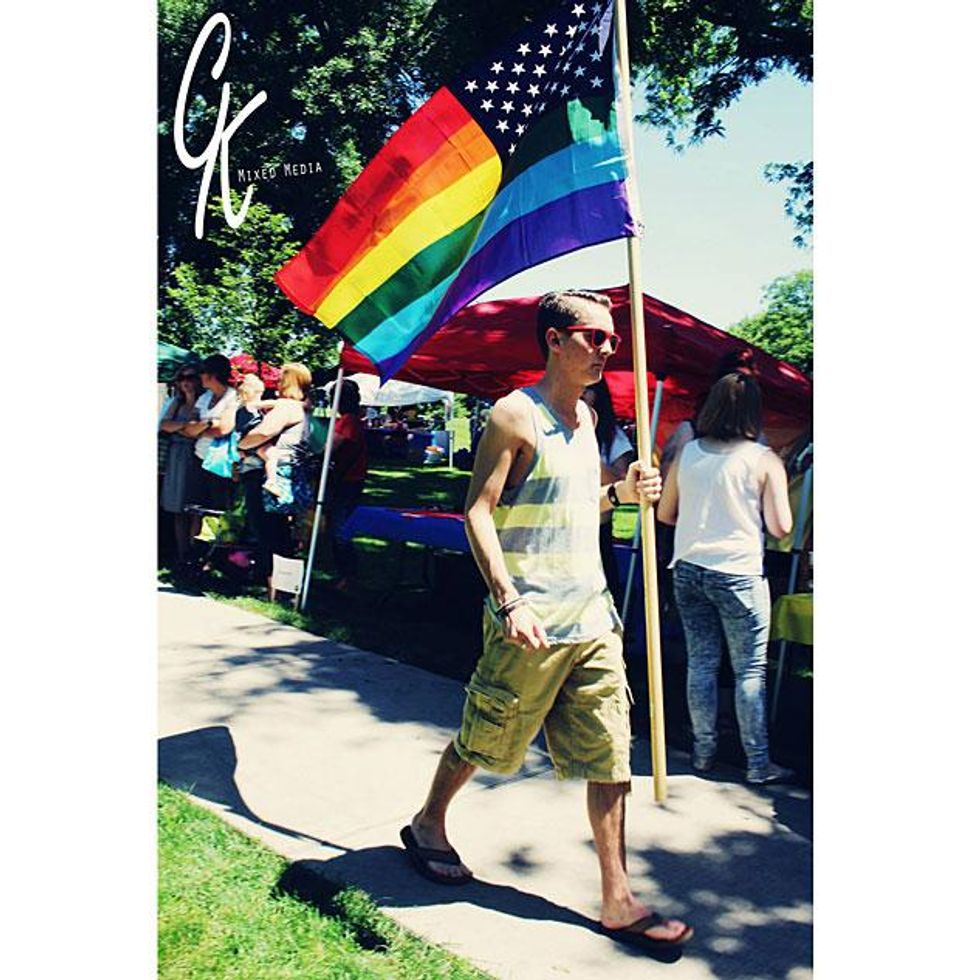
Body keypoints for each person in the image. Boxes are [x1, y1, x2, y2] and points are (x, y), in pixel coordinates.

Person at [402, 289, 693, 951]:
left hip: (591, 615)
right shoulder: (514, 414)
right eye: (595, 337)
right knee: (485, 739)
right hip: (528, 617)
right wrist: (509, 599)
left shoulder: (589, 420)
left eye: (613, 340)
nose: (608, 349)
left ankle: (618, 898)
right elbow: (479, 511)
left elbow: (569, 505)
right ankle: (427, 823)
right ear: (555, 341)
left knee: (610, 754)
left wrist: (619, 493)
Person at [657, 372, 795, 786]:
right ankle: (757, 763)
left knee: (701, 662)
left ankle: (703, 752)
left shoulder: (689, 453)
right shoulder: (764, 460)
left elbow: (665, 514)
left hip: (689, 568)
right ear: (754, 411)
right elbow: (781, 526)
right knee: (749, 671)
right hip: (739, 572)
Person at [238, 362, 313, 597]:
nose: (277, 382)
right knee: (279, 531)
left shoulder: (287, 407)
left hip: (274, 475)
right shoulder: (301, 408)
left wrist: (241, 444)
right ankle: (281, 587)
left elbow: (263, 432)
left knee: (269, 532)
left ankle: (278, 588)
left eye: (281, 378)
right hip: (291, 473)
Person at [582, 378, 635, 603]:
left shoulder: (612, 437)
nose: (581, 394)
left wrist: (586, 446)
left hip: (597, 526)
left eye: (588, 390)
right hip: (561, 520)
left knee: (602, 591)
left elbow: (623, 483)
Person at [180, 353, 239, 512]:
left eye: (202, 372)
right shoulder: (204, 397)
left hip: (221, 464)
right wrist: (210, 423)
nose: (200, 376)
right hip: (199, 458)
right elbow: (188, 428)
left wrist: (200, 428)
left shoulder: (234, 397)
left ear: (212, 374)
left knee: (218, 513)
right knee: (196, 510)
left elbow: (224, 429)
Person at [324, 378, 368, 592]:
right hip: (348, 479)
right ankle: (344, 574)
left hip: (348, 481)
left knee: (340, 528)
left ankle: (348, 576)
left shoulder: (348, 421)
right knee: (336, 526)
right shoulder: (351, 420)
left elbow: (331, 447)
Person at [158, 366, 204, 565]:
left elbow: (198, 426)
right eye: (182, 378)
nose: (186, 382)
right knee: (177, 507)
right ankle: (181, 552)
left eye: (191, 377)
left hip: (196, 456)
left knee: (194, 507)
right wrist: (187, 428)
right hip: (176, 456)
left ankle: (194, 551)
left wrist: (182, 428)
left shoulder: (203, 401)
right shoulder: (176, 402)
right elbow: (165, 425)